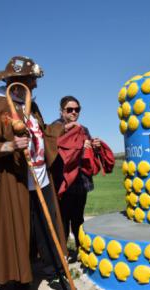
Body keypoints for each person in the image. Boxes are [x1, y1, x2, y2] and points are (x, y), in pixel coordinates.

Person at [0, 56, 68, 289]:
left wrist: (60, 126)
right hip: (13, 183)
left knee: (46, 227)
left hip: (40, 179)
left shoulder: (31, 107)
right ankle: (16, 279)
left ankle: (54, 271)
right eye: (31, 79)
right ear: (16, 80)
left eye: (33, 80)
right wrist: (10, 146)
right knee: (16, 231)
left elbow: (42, 135)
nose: (34, 84)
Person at [52, 95, 100, 261]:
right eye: (69, 109)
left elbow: (87, 155)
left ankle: (81, 250)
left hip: (80, 180)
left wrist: (94, 147)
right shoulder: (55, 128)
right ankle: (62, 255)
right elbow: (56, 151)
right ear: (61, 111)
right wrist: (78, 147)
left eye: (77, 109)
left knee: (78, 218)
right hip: (63, 180)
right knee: (63, 219)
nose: (74, 112)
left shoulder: (83, 129)